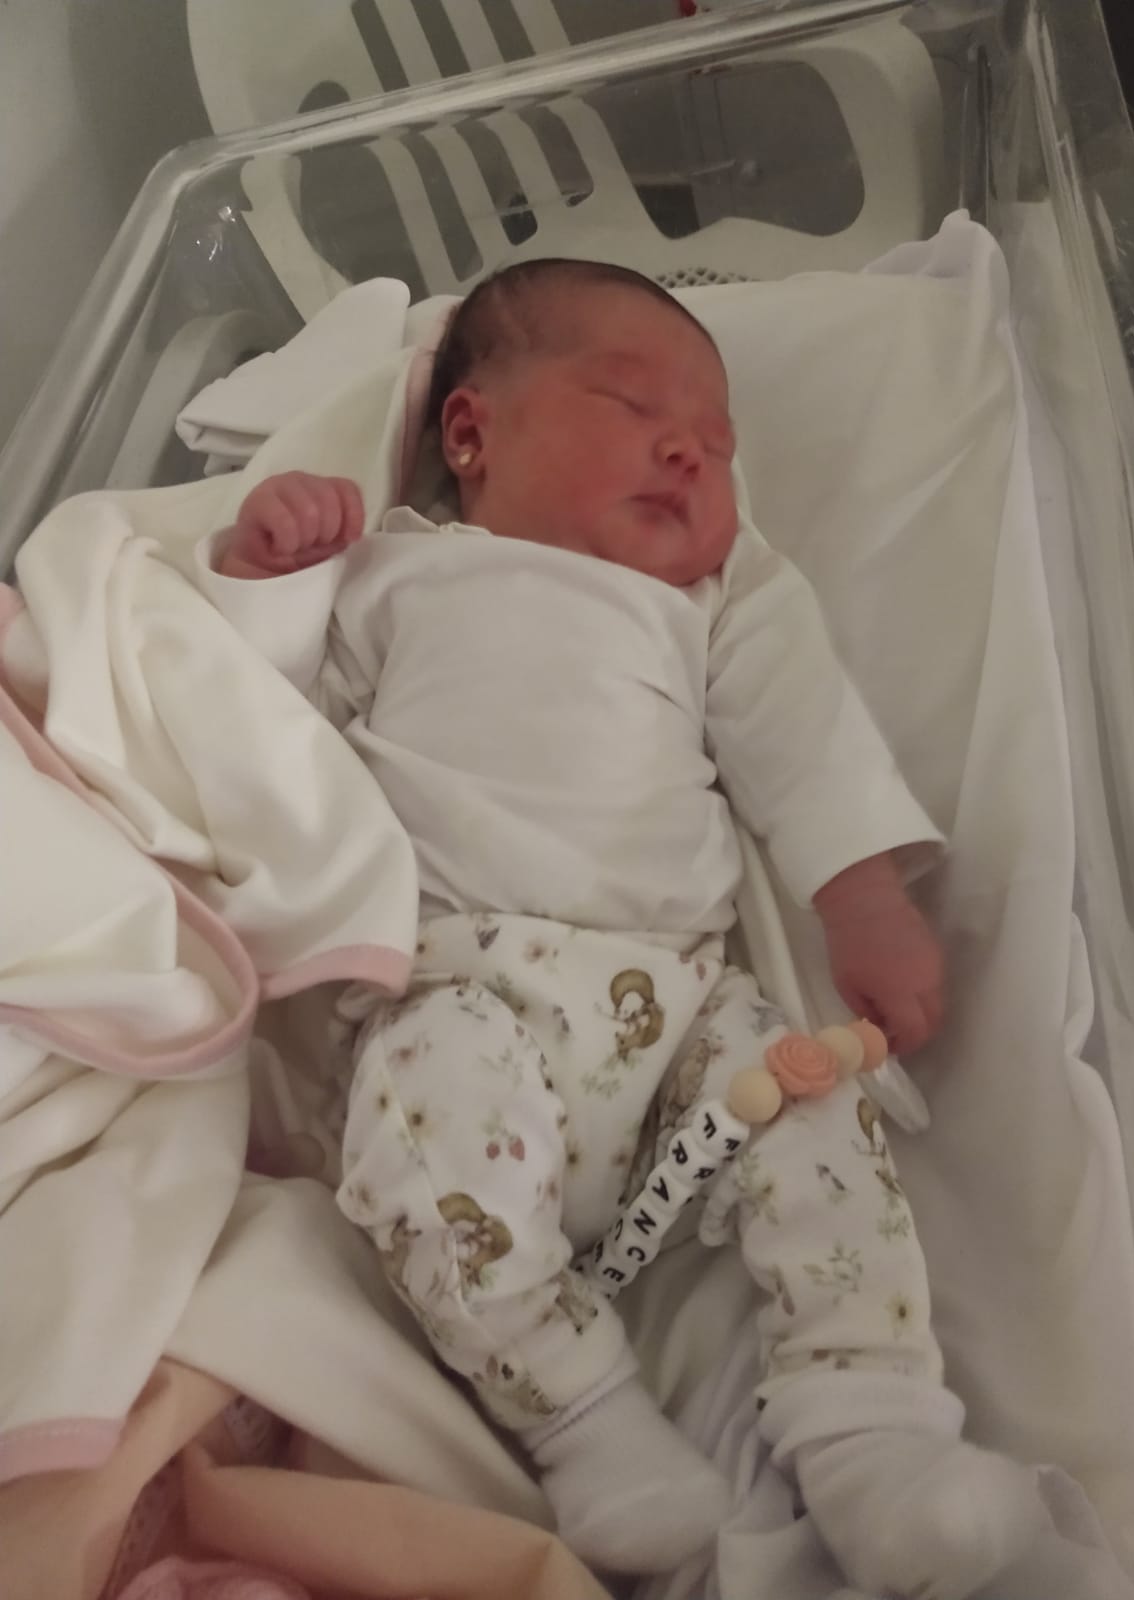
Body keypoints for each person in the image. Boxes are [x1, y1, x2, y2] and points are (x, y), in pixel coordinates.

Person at [210, 260, 1052, 1599]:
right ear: (471, 433)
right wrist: (270, 572)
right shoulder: (398, 573)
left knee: (817, 1114)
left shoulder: (715, 599)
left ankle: (874, 1432)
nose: (689, 451)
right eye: (631, 405)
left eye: (717, 442)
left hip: (681, 1012)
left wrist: (862, 899)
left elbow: (805, 741)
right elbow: (252, 734)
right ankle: (586, 1420)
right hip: (460, 988)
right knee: (421, 1128)